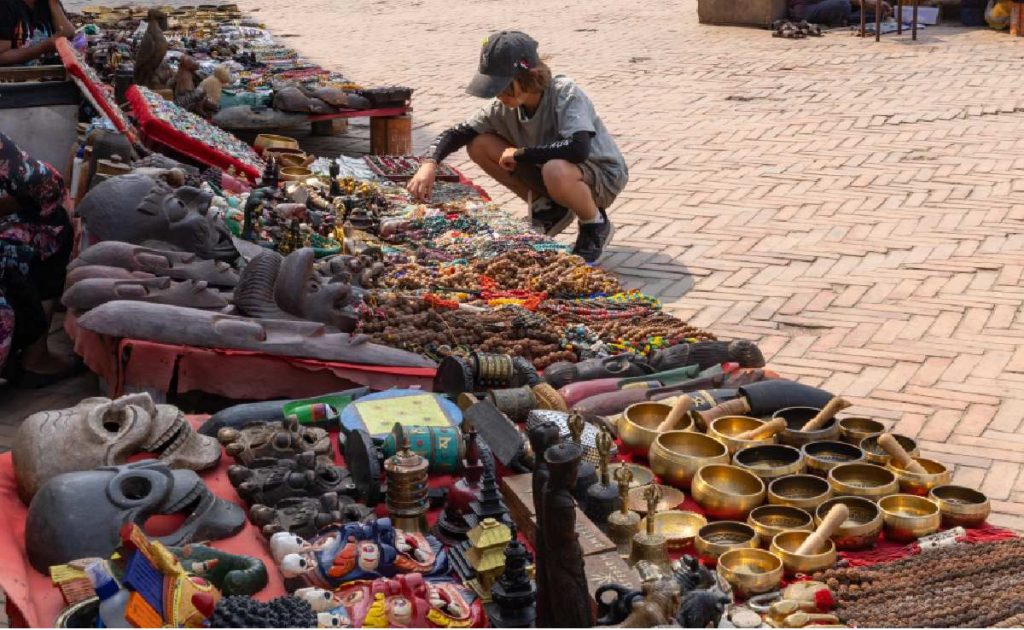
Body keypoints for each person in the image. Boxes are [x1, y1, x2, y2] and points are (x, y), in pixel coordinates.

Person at [407, 31, 628, 264]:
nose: (498, 94)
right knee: (479, 144)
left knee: (555, 169)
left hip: (602, 175)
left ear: (528, 76)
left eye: (503, 86)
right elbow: (457, 133)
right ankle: (549, 208)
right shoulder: (504, 106)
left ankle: (594, 224)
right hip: (555, 171)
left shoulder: (565, 92)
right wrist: (429, 164)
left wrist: (522, 154)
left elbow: (578, 148)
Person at [0, 132, 78, 387]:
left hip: (30, 199)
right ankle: (36, 359)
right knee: (55, 228)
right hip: (41, 209)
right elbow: (39, 184)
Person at [0, 0, 75, 66]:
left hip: (48, 74)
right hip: (17, 77)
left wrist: (54, 3)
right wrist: (43, 48)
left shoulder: (48, 3)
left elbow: (68, 35)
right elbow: (2, 56)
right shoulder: (5, 5)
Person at [789, 0, 892, 26]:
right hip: (807, 9)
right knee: (843, 4)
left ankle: (881, 13)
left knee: (878, 7)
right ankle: (845, 20)